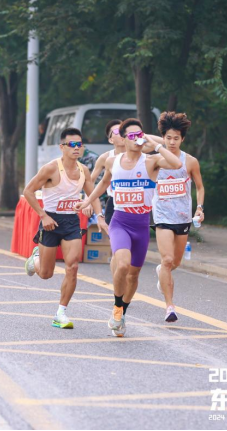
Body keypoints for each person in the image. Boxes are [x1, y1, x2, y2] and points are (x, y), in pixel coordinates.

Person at [78, 118, 183, 337]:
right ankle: (117, 308)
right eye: (132, 135)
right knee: (123, 264)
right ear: (124, 139)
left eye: (140, 135)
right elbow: (103, 183)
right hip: (120, 222)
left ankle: (122, 311)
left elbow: (177, 164)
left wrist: (156, 145)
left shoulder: (151, 161)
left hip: (141, 225)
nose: (137, 139)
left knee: (134, 276)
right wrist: (88, 201)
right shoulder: (112, 161)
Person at [23, 127, 105, 329]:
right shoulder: (51, 169)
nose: (77, 148)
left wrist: (98, 214)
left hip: (71, 222)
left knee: (73, 266)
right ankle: (35, 259)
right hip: (50, 221)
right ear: (62, 147)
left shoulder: (83, 170)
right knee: (46, 274)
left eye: (80, 144)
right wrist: (43, 216)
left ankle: (61, 313)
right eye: (72, 144)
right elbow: (28, 191)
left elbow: (93, 195)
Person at [151, 112, 206, 323]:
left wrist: (199, 208)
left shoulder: (190, 161)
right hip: (162, 215)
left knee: (175, 262)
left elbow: (199, 187)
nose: (172, 142)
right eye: (168, 138)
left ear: (182, 139)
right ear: (163, 138)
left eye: (176, 138)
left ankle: (162, 272)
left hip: (182, 217)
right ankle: (169, 307)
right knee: (167, 260)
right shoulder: (155, 160)